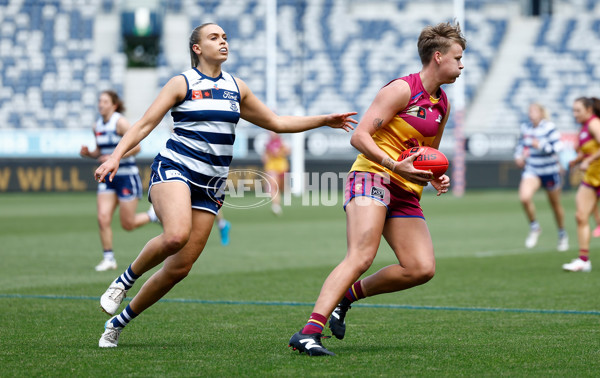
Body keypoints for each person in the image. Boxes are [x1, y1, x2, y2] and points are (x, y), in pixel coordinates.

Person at [94, 23, 356, 348]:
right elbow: (145, 124)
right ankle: (123, 281)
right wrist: (116, 156)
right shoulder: (182, 83)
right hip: (175, 168)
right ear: (197, 48)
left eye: (225, 38)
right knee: (176, 234)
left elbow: (276, 122)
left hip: (211, 184)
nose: (223, 42)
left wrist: (323, 120)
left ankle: (118, 322)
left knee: (179, 268)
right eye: (214, 38)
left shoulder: (236, 87)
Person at [288, 22, 464, 356]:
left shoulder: (443, 104)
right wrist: (395, 164)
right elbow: (359, 136)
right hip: (373, 176)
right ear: (438, 57)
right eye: (458, 57)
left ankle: (347, 297)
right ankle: (308, 332)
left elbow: (429, 157)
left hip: (406, 190)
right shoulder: (401, 89)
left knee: (421, 268)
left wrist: (435, 176)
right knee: (362, 255)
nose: (462, 65)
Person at [80, 90, 159, 272]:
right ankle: (109, 258)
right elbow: (100, 152)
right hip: (108, 178)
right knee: (103, 218)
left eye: (105, 101)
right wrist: (90, 154)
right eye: (100, 101)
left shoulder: (120, 122)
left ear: (114, 105)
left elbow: (137, 147)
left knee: (127, 224)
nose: (101, 104)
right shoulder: (97, 125)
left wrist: (114, 156)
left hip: (126, 177)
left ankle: (151, 215)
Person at [514, 103, 568, 251]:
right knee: (524, 197)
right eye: (529, 111)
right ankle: (535, 227)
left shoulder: (549, 128)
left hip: (549, 170)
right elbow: (521, 145)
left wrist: (542, 146)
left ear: (541, 113)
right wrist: (518, 156)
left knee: (555, 205)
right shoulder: (526, 128)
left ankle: (562, 234)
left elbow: (558, 147)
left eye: (534, 111)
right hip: (533, 169)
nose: (531, 114)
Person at [562, 97, 600, 272]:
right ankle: (583, 260)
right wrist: (577, 160)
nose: (574, 114)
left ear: (589, 110)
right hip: (592, 178)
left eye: (578, 110)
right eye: (573, 110)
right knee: (581, 216)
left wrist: (589, 160)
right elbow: (590, 150)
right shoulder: (584, 128)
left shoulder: (594, 124)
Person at [262, 131, 290, 215]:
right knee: (274, 186)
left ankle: (278, 201)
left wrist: (279, 152)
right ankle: (276, 206)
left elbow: (288, 151)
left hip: (281, 167)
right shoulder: (268, 143)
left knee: (281, 187)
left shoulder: (282, 142)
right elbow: (265, 156)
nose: (271, 134)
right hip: (271, 167)